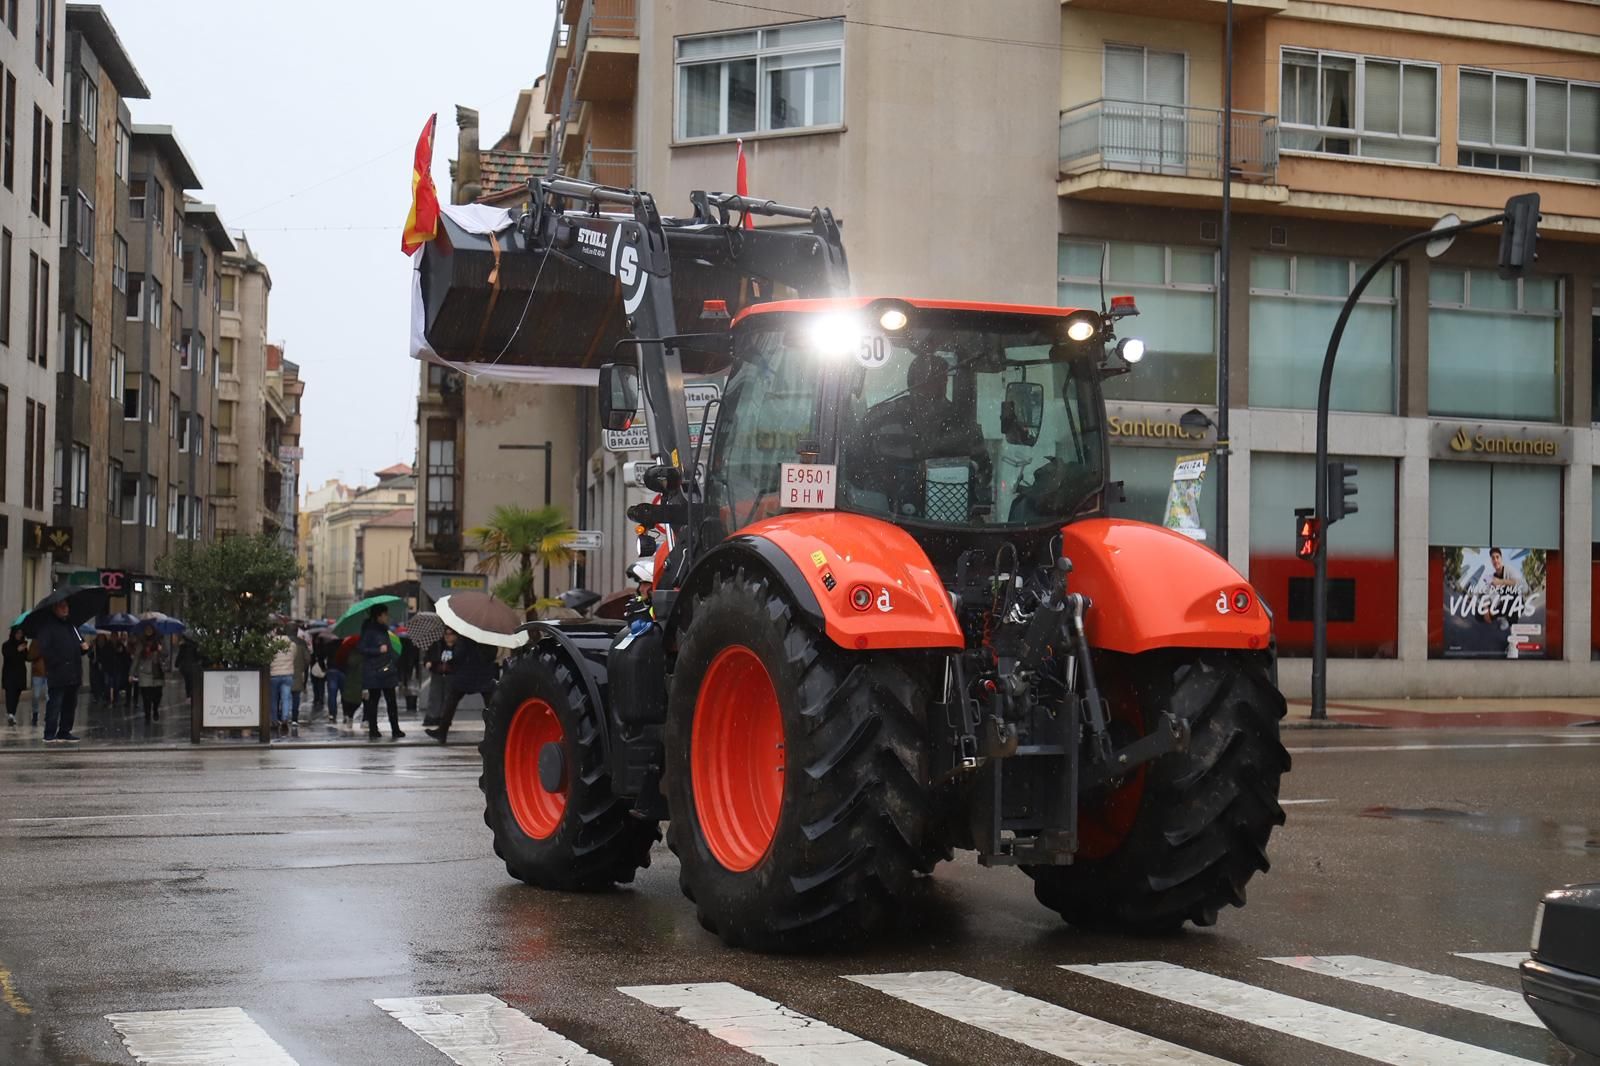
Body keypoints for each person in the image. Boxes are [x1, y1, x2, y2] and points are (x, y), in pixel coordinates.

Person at [425, 632, 496, 744]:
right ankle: (495, 733)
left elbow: (459, 654)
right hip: (484, 673)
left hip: (466, 673)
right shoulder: (488, 635)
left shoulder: (466, 634)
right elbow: (492, 655)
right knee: (491, 705)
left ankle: (442, 731)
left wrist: (451, 663)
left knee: (451, 701)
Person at [34, 599, 89, 743]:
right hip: (58, 673)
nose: (65, 609)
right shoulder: (48, 627)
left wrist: (84, 648)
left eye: (66, 606)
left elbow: (78, 647)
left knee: (70, 705)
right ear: (55, 609)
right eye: (62, 607)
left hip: (74, 673)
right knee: (55, 704)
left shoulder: (72, 627)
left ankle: (65, 731)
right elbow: (45, 649)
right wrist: (58, 662)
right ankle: (50, 733)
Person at [358, 606, 404, 739]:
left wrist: (393, 659)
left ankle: (395, 729)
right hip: (374, 672)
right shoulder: (369, 631)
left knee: (392, 702)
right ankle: (373, 730)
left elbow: (390, 649)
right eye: (385, 615)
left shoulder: (385, 630)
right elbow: (361, 648)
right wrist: (378, 650)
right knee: (373, 702)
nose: (387, 617)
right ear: (378, 616)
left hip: (387, 671)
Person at [422, 629, 458, 728]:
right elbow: (428, 657)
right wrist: (428, 662)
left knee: (448, 698)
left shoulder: (459, 647)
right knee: (435, 696)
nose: (448, 636)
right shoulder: (437, 645)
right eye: (446, 634)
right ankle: (432, 718)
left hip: (451, 675)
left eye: (450, 634)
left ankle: (444, 719)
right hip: (437, 674)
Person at [131, 627, 165, 722]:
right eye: (147, 629)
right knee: (146, 696)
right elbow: (136, 658)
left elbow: (166, 654)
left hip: (157, 671)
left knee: (158, 694)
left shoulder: (160, 641)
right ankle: (147, 716)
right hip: (144, 672)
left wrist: (161, 650)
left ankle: (155, 709)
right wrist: (131, 673)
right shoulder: (141, 642)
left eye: (150, 628)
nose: (148, 630)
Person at [268, 630, 296, 737]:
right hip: (287, 674)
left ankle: (274, 720)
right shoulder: (292, 644)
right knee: (286, 698)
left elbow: (268, 657)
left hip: (274, 674)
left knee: (274, 699)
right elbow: (294, 656)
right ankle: (284, 719)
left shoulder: (270, 644)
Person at [3, 627, 29, 726]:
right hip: (9, 673)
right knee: (10, 693)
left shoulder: (23, 645)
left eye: (21, 633)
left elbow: (27, 658)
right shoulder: (6, 645)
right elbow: (7, 656)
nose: (19, 635)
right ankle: (10, 713)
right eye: (17, 633)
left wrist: (26, 650)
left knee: (17, 694)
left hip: (20, 673)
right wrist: (17, 650)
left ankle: (12, 714)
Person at [289, 631, 310, 727]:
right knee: (296, 697)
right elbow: (307, 659)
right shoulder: (301, 643)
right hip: (297, 673)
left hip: (282, 672)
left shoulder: (280, 641)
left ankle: (281, 717)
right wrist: (303, 668)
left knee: (281, 697)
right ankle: (294, 718)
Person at [174, 635, 199, 702]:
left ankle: (189, 696)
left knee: (187, 682)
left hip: (185, 667)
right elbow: (197, 656)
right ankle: (192, 695)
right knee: (192, 682)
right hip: (193, 666)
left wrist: (176, 664)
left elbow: (180, 656)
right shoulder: (195, 645)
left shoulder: (183, 646)